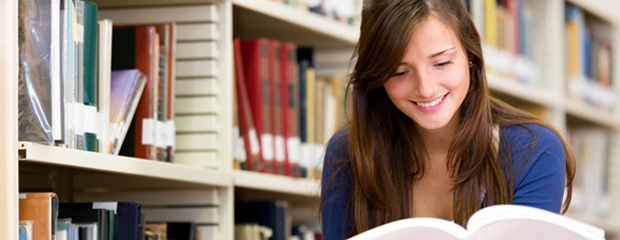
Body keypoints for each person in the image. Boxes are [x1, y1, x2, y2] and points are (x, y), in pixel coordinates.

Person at [319, 0, 577, 239]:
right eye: (399, 72)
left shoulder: (533, 149)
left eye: (442, 63)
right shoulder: (348, 153)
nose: (426, 89)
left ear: (470, 52)